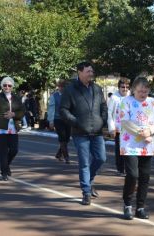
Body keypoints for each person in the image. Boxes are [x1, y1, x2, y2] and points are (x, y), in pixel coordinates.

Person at [60, 61, 107, 205]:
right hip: (80, 132)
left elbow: (103, 106)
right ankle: (86, 192)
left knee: (101, 158)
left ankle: (89, 180)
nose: (91, 74)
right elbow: (63, 110)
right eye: (88, 71)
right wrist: (76, 122)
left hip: (97, 131)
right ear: (79, 72)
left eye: (92, 71)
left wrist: (102, 120)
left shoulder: (97, 89)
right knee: (84, 163)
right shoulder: (70, 89)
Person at [117, 77, 154, 220]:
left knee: (145, 177)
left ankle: (140, 207)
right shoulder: (126, 102)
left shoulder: (152, 102)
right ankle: (127, 204)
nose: (143, 94)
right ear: (133, 90)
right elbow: (125, 122)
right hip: (129, 145)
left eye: (146, 91)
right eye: (140, 91)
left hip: (146, 146)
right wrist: (141, 132)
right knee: (133, 174)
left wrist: (152, 130)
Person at [107, 77, 130, 175]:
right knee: (120, 149)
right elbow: (109, 113)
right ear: (119, 87)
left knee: (129, 149)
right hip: (118, 128)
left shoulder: (131, 96)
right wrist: (111, 128)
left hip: (130, 128)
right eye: (122, 87)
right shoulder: (114, 98)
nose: (125, 89)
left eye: (127, 87)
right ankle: (120, 168)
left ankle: (128, 167)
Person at [47, 79, 71, 164]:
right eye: (60, 86)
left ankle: (58, 154)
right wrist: (51, 121)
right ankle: (66, 156)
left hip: (67, 119)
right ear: (58, 87)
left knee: (67, 138)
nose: (61, 88)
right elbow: (51, 109)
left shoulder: (69, 95)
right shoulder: (54, 96)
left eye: (63, 86)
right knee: (62, 138)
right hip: (58, 119)